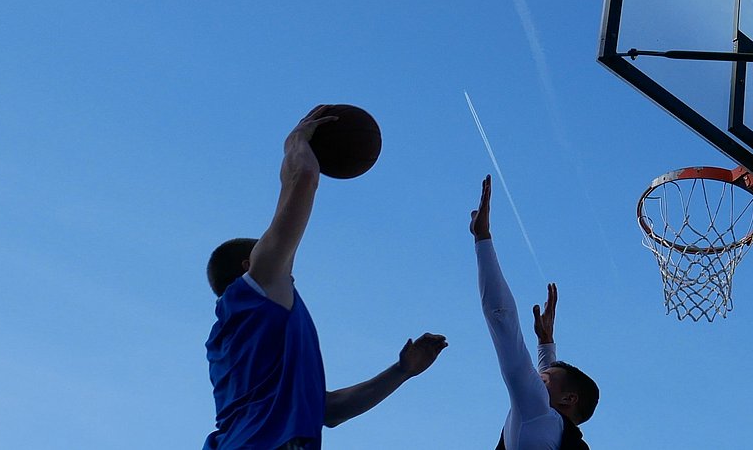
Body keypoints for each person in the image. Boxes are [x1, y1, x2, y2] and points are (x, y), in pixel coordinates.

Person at [204, 109, 450, 450]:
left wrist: (401, 370)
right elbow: (303, 178)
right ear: (251, 264)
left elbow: (329, 410)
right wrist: (295, 142)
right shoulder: (257, 287)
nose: (290, 267)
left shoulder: (234, 337)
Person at [471, 176, 598, 450]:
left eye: (542, 378)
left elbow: (501, 317)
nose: (536, 377)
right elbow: (543, 386)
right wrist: (546, 343)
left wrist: (482, 239)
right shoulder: (557, 431)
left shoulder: (537, 414)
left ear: (569, 399)